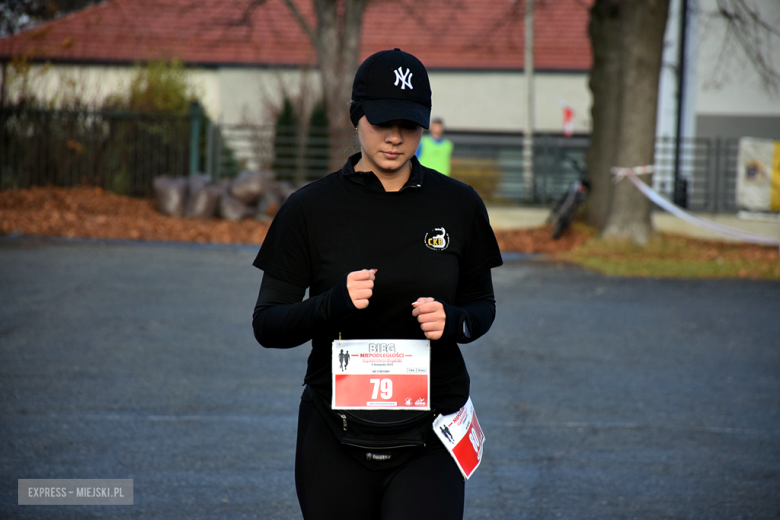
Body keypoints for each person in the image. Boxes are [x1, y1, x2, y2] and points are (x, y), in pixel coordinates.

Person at [252, 48, 502, 520]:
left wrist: (455, 321)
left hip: (433, 431)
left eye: (408, 125)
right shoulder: (310, 209)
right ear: (356, 116)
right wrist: (332, 304)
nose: (394, 137)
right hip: (334, 433)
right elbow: (268, 324)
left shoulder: (459, 205)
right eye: (381, 121)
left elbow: (481, 306)